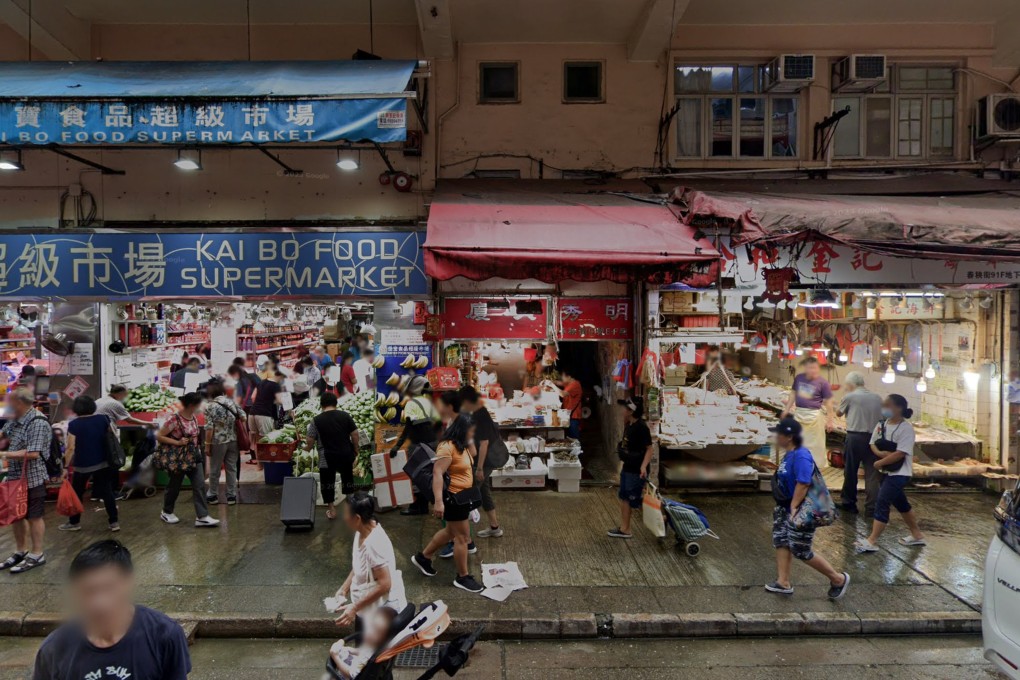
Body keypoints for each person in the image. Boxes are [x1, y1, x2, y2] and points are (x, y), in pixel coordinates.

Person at [32, 540, 191, 680]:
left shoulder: (164, 635)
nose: (99, 602)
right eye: (89, 591)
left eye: (109, 588)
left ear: (128, 583)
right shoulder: (55, 649)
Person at [766, 417, 851, 599]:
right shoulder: (790, 454)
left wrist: (794, 506)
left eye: (778, 434)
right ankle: (783, 582)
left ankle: (837, 579)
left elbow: (803, 482)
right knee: (781, 541)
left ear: (789, 437)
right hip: (784, 508)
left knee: (800, 550)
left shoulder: (801, 455)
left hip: (802, 510)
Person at [410, 414, 485, 593]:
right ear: (462, 430)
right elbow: (437, 474)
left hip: (463, 496)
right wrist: (438, 502)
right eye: (471, 431)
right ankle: (463, 577)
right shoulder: (446, 447)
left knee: (449, 532)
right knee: (463, 538)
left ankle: (424, 557)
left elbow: (473, 454)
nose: (473, 434)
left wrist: (470, 437)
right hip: (453, 498)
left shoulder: (462, 445)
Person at [855, 394, 926, 553]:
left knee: (882, 501)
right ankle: (917, 534)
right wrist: (881, 455)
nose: (884, 408)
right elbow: (873, 443)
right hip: (886, 471)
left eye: (888, 405)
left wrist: (880, 462)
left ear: (899, 408)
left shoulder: (906, 428)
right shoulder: (882, 424)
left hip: (900, 473)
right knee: (901, 504)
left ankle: (871, 540)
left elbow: (901, 453)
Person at [333, 492, 407, 629]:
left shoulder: (374, 544)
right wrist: (344, 589)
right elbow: (359, 564)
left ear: (357, 518)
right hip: (365, 609)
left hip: (377, 616)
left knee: (369, 650)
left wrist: (354, 607)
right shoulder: (361, 531)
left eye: (346, 514)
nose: (344, 518)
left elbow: (385, 584)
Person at [0, 388, 54, 574]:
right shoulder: (15, 419)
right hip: (15, 477)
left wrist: (4, 454)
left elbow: (32, 453)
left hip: (33, 477)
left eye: (10, 401)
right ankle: (20, 550)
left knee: (33, 516)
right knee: (17, 516)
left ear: (19, 403)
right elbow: (3, 435)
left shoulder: (37, 422)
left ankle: (37, 553)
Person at [156, 392, 219, 528]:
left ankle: (202, 516)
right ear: (191, 405)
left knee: (199, 485)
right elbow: (159, 436)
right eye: (199, 404)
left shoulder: (194, 417)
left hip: (194, 456)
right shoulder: (174, 419)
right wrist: (177, 442)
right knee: (174, 486)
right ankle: (167, 511)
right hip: (179, 458)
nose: (201, 407)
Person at [59, 396, 119, 533]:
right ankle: (114, 522)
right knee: (107, 492)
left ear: (76, 409)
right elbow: (112, 436)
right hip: (103, 462)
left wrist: (65, 466)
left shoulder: (74, 424)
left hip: (83, 464)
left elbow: (70, 448)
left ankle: (74, 522)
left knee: (77, 493)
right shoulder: (103, 419)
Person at [459, 386, 506, 538]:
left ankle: (461, 538)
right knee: (484, 492)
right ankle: (494, 528)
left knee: (468, 493)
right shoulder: (477, 412)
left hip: (486, 461)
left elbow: (484, 444)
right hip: (484, 460)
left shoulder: (481, 414)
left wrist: (479, 469)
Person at [391, 376, 440, 517]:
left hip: (419, 444)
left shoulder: (411, 404)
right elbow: (437, 423)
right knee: (427, 474)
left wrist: (397, 446)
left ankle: (417, 507)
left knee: (416, 475)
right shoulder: (429, 402)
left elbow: (408, 428)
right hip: (432, 443)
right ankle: (423, 506)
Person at [305, 392, 360, 520]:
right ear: (336, 403)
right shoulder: (345, 416)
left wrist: (307, 448)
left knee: (327, 482)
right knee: (347, 479)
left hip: (326, 457)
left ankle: (332, 510)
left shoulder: (316, 420)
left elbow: (310, 439)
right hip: (345, 454)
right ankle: (351, 509)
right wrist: (356, 449)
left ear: (321, 405)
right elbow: (355, 434)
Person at [836, 371, 884, 516]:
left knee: (851, 471)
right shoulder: (877, 397)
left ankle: (849, 503)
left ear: (850, 384)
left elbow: (838, 413)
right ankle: (871, 508)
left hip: (855, 437)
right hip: (874, 439)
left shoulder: (849, 396)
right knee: (872, 473)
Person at [608, 397, 654, 539]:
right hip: (628, 467)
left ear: (631, 411)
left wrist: (643, 467)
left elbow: (650, 449)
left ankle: (663, 518)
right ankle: (625, 528)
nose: (623, 411)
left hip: (636, 469)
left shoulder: (641, 427)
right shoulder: (629, 424)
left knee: (634, 500)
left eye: (626, 409)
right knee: (625, 497)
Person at [780, 356, 835, 469]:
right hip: (799, 414)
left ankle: (814, 467)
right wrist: (786, 410)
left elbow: (829, 403)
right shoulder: (799, 378)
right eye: (810, 368)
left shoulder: (823, 383)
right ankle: (796, 463)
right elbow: (793, 394)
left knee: (815, 445)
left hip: (814, 416)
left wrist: (830, 421)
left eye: (815, 368)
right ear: (805, 368)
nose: (813, 370)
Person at [203, 380, 245, 506]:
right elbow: (243, 417)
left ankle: (213, 495)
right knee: (231, 468)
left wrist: (207, 445)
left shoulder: (210, 406)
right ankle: (231, 496)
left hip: (218, 441)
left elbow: (209, 429)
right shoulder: (231, 402)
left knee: (215, 469)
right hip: (233, 440)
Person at [329, 607, 394, 679]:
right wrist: (349, 649)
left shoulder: (368, 658)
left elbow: (350, 675)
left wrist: (335, 656)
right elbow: (365, 651)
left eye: (377, 631)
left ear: (385, 638)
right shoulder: (378, 646)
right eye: (371, 626)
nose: (370, 632)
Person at [558, 368, 583, 439]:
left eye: (563, 376)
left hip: (573, 416)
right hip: (569, 415)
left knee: (574, 439)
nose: (562, 378)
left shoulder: (575, 385)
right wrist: (550, 381)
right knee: (570, 438)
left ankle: (577, 450)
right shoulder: (570, 383)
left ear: (569, 377)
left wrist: (551, 384)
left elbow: (562, 394)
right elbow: (559, 383)